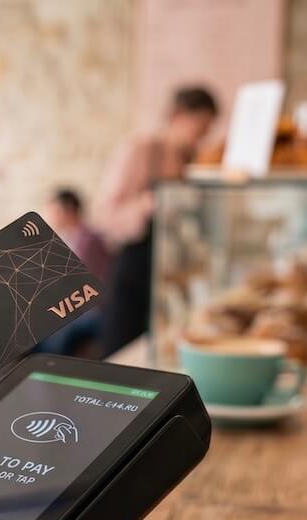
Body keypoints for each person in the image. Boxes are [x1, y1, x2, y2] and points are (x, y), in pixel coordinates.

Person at [93, 86, 219, 356]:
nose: (202, 138)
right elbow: (104, 214)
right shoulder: (141, 149)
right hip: (133, 276)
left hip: (171, 280)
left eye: (207, 130)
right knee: (121, 358)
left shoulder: (194, 162)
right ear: (179, 115)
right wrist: (148, 205)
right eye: (200, 128)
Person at [37, 188, 112, 357]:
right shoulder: (71, 238)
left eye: (55, 210)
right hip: (80, 308)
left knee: (55, 339)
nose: (50, 215)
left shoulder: (89, 240)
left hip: (95, 311)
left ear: (68, 210)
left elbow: (72, 283)